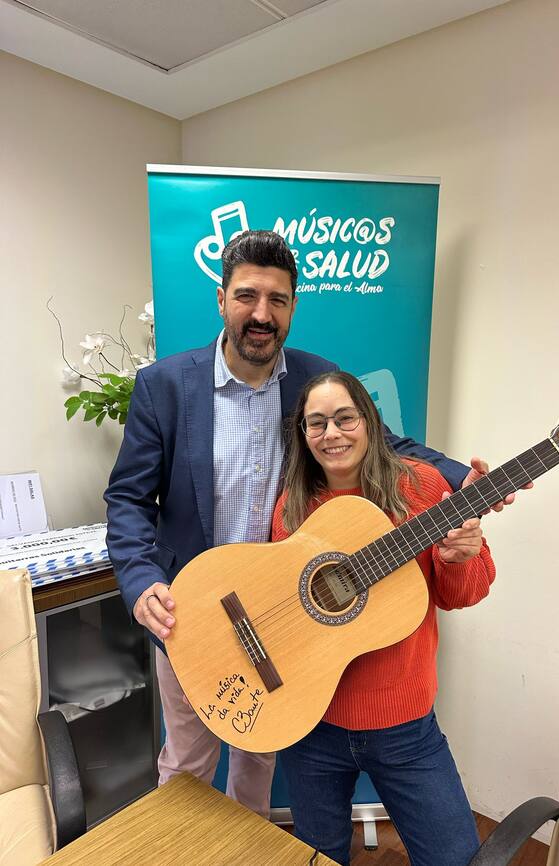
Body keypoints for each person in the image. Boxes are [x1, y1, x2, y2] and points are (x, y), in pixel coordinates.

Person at [104, 229, 483, 819]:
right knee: (186, 766)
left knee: (259, 761)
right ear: (222, 299)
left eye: (277, 300)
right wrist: (137, 579)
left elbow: (383, 441)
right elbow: (128, 499)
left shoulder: (315, 376)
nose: (262, 314)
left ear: (293, 306)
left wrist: (465, 478)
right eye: (248, 296)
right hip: (193, 612)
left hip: (287, 621)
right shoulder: (165, 386)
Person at [272, 370, 496, 866]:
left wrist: (460, 557)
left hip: (404, 724)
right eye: (316, 423)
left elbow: (462, 595)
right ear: (304, 436)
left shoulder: (424, 487)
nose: (332, 434)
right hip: (312, 721)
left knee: (454, 857)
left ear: (369, 421)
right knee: (318, 855)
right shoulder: (293, 505)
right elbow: (280, 597)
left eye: (344, 417)